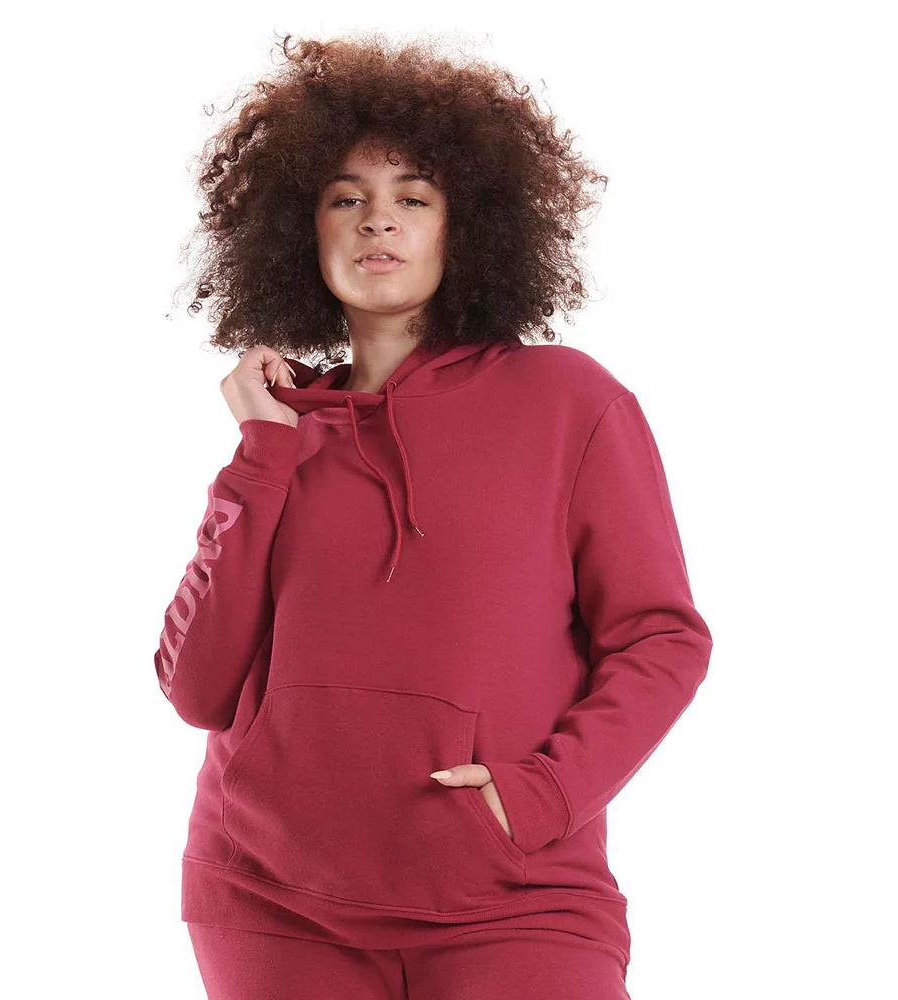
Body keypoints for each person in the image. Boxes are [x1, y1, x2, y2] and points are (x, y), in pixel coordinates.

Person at [154, 31, 713, 1000]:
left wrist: (542, 794)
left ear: (470, 225)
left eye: (412, 198)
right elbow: (198, 689)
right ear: (300, 229)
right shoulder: (281, 436)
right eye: (346, 199)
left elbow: (659, 637)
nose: (378, 220)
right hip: (272, 902)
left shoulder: (567, 402)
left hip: (518, 896)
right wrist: (261, 456)